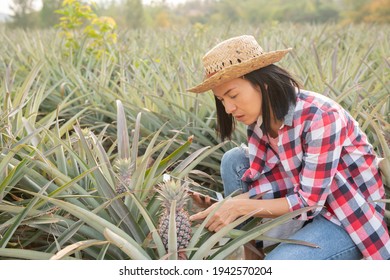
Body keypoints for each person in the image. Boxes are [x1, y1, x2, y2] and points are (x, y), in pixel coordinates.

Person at [187, 35, 390, 260]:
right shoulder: (259, 118)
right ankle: (251, 254)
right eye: (221, 100)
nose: (228, 108)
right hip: (304, 198)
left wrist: (239, 206)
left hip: (346, 214)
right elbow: (277, 174)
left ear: (263, 84)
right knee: (234, 160)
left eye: (232, 95)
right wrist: (231, 205)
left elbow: (309, 203)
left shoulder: (320, 117)